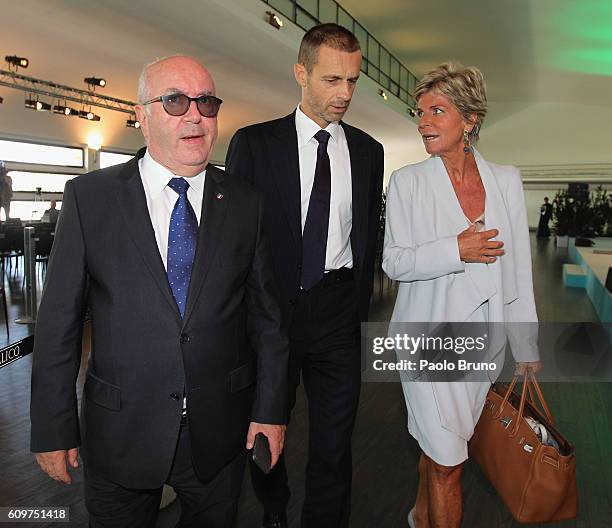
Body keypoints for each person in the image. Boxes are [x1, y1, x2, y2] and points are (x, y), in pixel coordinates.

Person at [30, 55, 289, 528]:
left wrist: (270, 410)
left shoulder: (245, 203)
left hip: (219, 433)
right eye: (175, 101)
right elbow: (58, 327)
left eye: (206, 102)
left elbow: (267, 321)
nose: (195, 114)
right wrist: (52, 428)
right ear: (142, 115)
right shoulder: (91, 198)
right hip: (121, 430)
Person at [226, 23, 384, 528]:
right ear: (301, 73)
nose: (345, 94)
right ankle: (273, 508)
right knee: (265, 434)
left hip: (338, 313)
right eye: (332, 80)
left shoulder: (367, 151)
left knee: (336, 444)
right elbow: (234, 242)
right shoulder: (254, 144)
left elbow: (366, 236)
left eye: (353, 81)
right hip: (272, 315)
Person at [382, 63, 541, 528]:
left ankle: (418, 513)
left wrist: (525, 344)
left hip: (480, 345)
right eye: (420, 111)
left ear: (469, 120)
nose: (423, 122)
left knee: (443, 448)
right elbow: (395, 262)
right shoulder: (408, 183)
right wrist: (456, 250)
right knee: (451, 462)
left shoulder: (506, 180)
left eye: (437, 111)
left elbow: (518, 269)